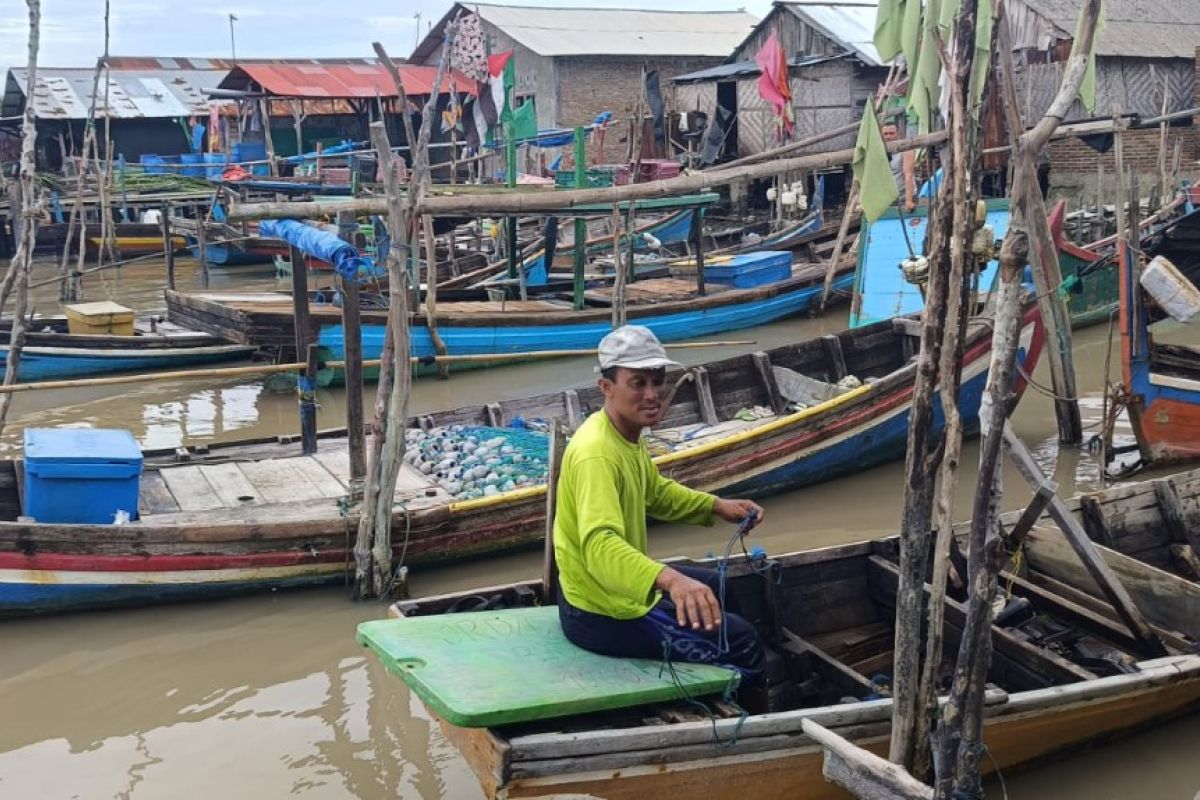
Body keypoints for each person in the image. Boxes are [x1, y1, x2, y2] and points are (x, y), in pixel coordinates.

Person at [553, 325, 768, 689]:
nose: (653, 395)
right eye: (638, 383)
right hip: (599, 612)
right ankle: (753, 727)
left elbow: (654, 493)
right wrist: (671, 579)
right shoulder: (596, 454)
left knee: (719, 588)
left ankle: (720, 671)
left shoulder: (623, 434)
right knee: (744, 642)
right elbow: (599, 546)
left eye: (658, 381)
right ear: (607, 387)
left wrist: (716, 506)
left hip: (607, 593)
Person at [882, 123, 917, 212]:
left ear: (898, 134)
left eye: (891, 133)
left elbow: (908, 175)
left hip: (903, 197)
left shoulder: (905, 150)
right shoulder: (880, 151)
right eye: (885, 134)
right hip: (886, 199)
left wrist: (908, 200)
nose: (888, 136)